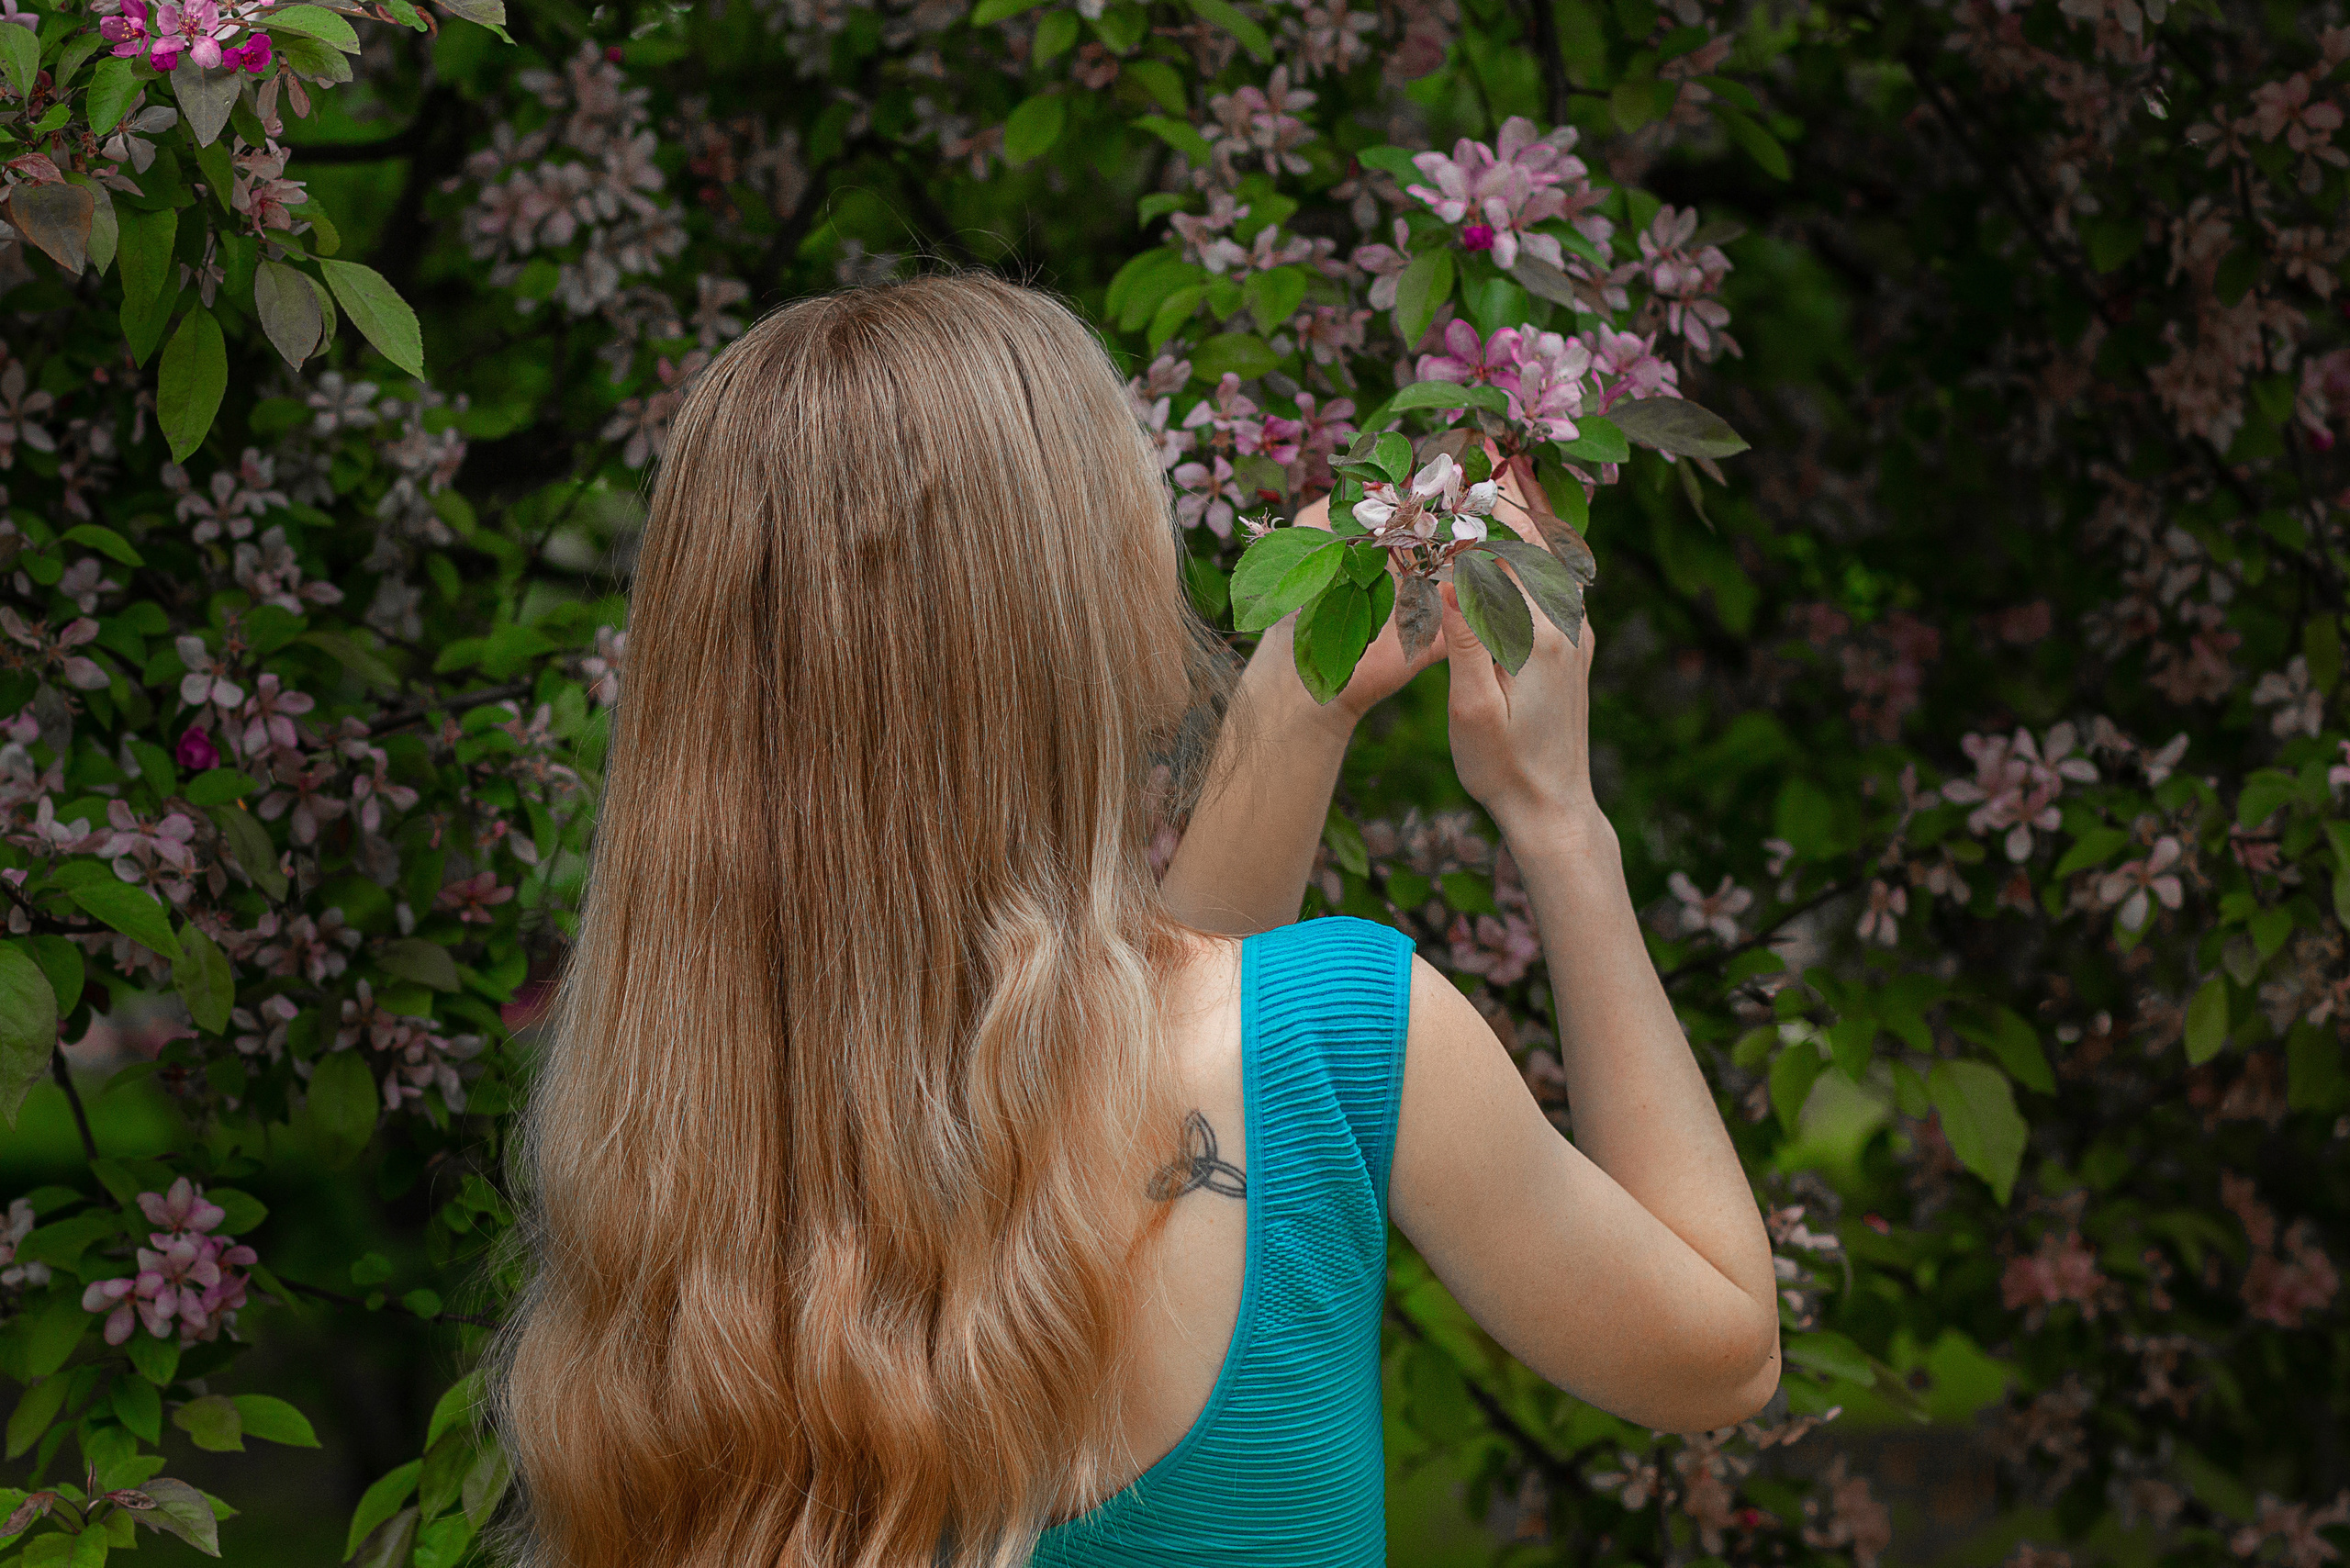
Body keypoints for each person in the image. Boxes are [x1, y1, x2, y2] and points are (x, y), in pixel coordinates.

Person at [484, 272, 1779, 1568]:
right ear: (1079, 627)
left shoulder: (680, 1164)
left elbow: (1122, 1053)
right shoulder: (1336, 1038)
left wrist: (1298, 706)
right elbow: (1721, 1356)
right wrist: (1557, 816)